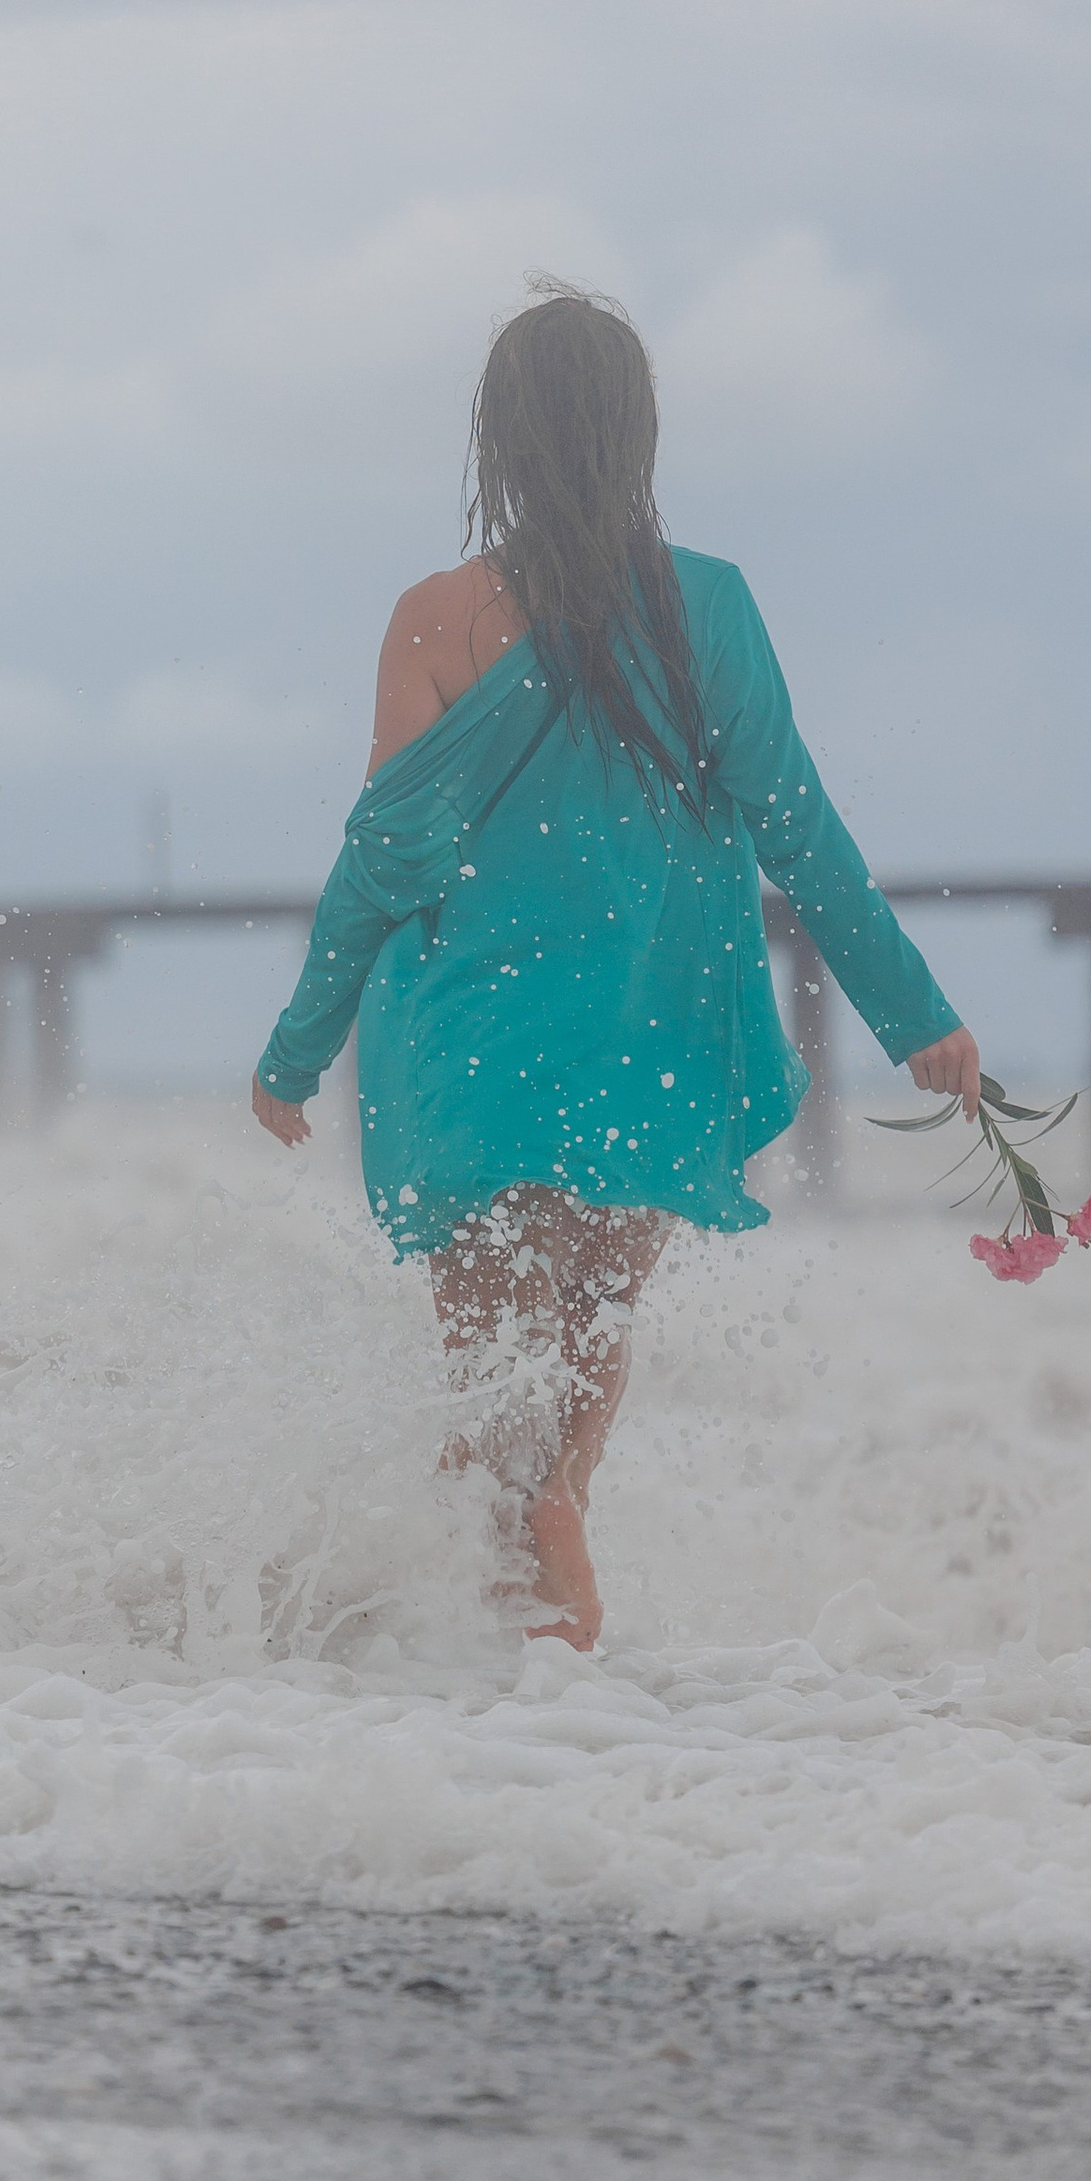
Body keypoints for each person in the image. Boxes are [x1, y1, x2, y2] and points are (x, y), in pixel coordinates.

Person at [251, 283, 978, 1650]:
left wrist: (299, 1044)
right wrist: (915, 1015)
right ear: (636, 436)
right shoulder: (709, 606)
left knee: (479, 1358)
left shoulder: (436, 617)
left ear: (498, 443)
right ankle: (559, 1542)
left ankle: (469, 1667)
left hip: (465, 1032)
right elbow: (798, 830)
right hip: (646, 1023)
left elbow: (383, 858)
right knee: (591, 1313)